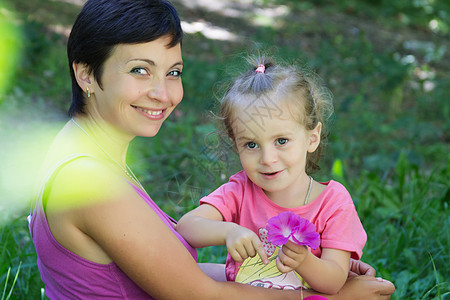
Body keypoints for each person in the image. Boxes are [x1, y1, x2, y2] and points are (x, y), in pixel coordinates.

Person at [27, 0, 395, 298]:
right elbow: (196, 294)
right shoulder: (90, 182)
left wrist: (306, 270)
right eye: (140, 70)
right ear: (86, 74)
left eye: (173, 72)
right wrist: (331, 297)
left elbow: (158, 274)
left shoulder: (80, 154)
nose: (163, 93)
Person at [176, 56, 367, 294]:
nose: (267, 159)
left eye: (281, 141)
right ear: (236, 145)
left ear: (312, 138)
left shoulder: (333, 202)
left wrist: (304, 262)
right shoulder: (241, 189)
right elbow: (186, 227)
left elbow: (334, 281)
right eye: (251, 145)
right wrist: (229, 231)